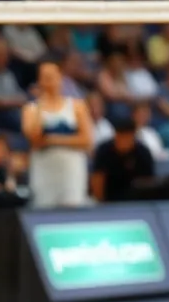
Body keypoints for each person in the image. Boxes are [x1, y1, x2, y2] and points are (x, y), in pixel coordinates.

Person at [22, 58, 93, 208]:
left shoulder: (77, 106)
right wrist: (41, 104)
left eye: (52, 77)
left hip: (71, 167)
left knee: (72, 208)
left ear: (61, 78)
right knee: (43, 207)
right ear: (39, 81)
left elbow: (86, 140)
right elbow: (34, 138)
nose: (49, 82)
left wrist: (53, 139)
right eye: (45, 78)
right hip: (44, 166)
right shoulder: (31, 109)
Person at [92, 116, 155, 203]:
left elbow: (148, 182)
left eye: (127, 138)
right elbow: (97, 179)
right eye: (120, 137)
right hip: (109, 200)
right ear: (115, 135)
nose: (123, 142)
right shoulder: (104, 150)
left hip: (137, 201)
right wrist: (100, 203)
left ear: (133, 136)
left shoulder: (143, 152)